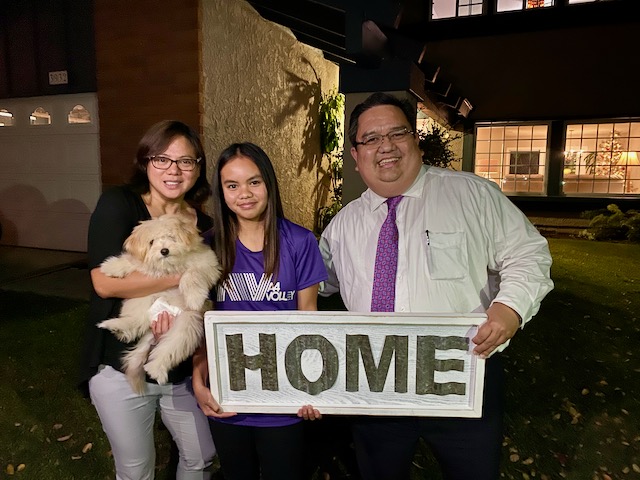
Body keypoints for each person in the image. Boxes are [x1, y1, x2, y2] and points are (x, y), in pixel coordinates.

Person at [318, 92, 554, 480]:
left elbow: (528, 254)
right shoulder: (343, 226)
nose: (386, 147)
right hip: (377, 387)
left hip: (462, 375)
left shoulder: (472, 196)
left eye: (397, 133)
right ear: (356, 156)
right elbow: (309, 282)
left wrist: (509, 308)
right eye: (371, 139)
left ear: (415, 141)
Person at [79, 120, 217, 479]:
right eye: (162, 159)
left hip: (181, 367)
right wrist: (185, 272)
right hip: (119, 365)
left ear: (198, 167)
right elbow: (105, 284)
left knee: (201, 455)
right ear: (146, 161)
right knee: (136, 470)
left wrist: (201, 368)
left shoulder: (206, 225)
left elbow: (204, 302)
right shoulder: (119, 204)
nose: (174, 170)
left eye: (186, 161)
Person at [192, 142, 326, 480]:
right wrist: (198, 379)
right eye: (232, 185)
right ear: (221, 193)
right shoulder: (207, 247)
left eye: (254, 182)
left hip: (284, 397)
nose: (244, 194)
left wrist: (314, 385)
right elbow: (198, 321)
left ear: (269, 183)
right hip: (229, 394)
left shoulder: (300, 242)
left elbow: (309, 317)